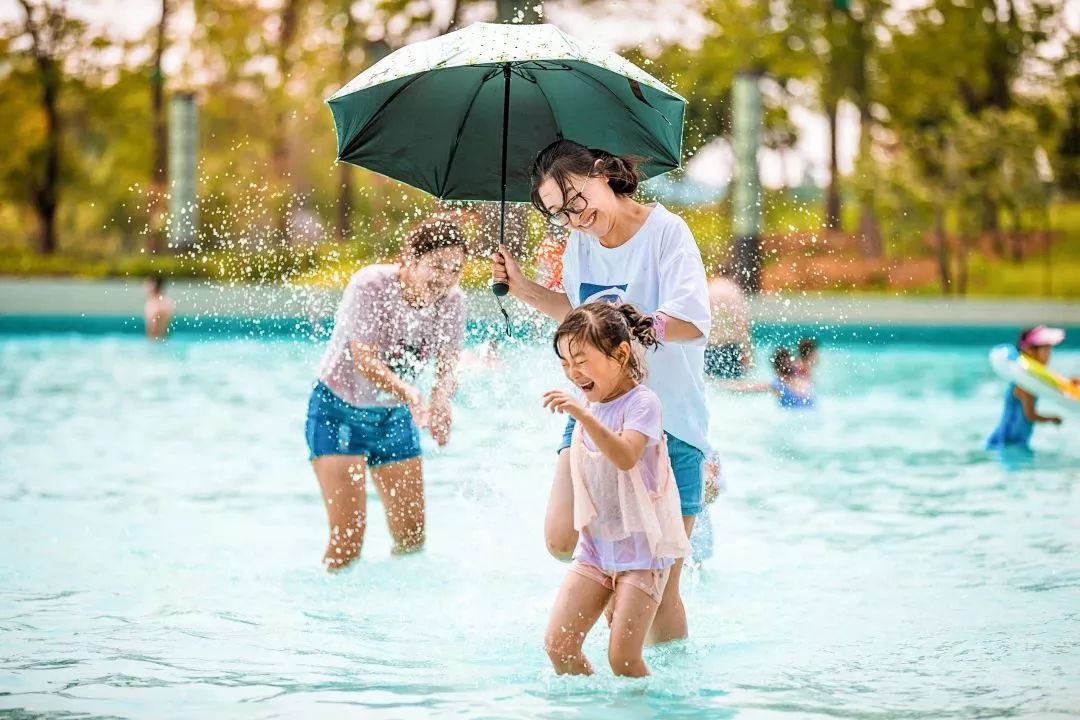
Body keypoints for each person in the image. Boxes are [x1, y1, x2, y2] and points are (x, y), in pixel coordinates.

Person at [492, 139, 711, 644]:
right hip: (599, 409)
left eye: (575, 200)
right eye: (558, 213)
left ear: (602, 172)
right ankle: (615, 574)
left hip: (668, 422)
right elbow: (577, 314)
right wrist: (523, 288)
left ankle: (670, 687)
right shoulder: (581, 245)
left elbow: (694, 321)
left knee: (660, 597)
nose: (573, 218)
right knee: (559, 536)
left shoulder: (666, 233)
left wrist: (632, 325)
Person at [306, 216, 466, 570]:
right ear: (410, 257)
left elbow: (448, 366)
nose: (444, 278)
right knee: (347, 541)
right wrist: (411, 394)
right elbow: (364, 359)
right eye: (436, 265)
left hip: (393, 418)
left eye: (455, 269)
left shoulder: (452, 302)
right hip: (338, 413)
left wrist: (440, 404)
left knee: (412, 538)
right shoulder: (371, 285)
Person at [542, 303, 691, 677]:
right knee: (558, 646)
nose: (573, 373)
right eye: (565, 365)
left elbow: (626, 456)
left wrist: (584, 416)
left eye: (581, 360)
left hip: (642, 555)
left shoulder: (643, 403)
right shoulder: (588, 409)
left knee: (623, 660)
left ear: (621, 354)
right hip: (595, 551)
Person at [986, 326, 1070, 452]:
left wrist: (1069, 383)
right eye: (1046, 351)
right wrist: (1052, 418)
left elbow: (1053, 383)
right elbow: (1030, 415)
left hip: (1014, 440)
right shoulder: (1025, 384)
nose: (1049, 356)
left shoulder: (1030, 379)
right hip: (1007, 442)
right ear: (1030, 351)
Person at [720, 347, 816, 409]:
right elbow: (749, 387)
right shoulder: (780, 384)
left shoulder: (780, 384)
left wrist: (723, 384)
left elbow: (748, 387)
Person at [705, 265, 752, 378]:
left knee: (710, 384)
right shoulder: (734, 290)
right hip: (730, 347)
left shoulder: (708, 288)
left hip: (709, 346)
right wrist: (746, 350)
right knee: (732, 385)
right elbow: (741, 323)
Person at [143, 274, 175, 339]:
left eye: (148, 284)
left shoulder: (156, 304)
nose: (145, 286)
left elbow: (154, 328)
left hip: (156, 341)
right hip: (163, 340)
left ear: (153, 285)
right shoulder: (166, 301)